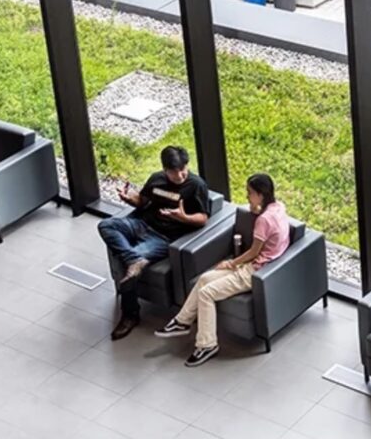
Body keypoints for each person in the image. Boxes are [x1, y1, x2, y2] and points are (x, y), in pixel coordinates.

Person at [156, 174, 291, 366]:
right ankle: (182, 321)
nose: (246, 196)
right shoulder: (278, 208)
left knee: (207, 293)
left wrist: (231, 263)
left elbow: (253, 252)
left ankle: (207, 345)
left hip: (254, 271)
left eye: (250, 193)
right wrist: (254, 208)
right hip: (255, 265)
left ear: (261, 195)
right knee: (204, 278)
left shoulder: (264, 221)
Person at [99, 145, 210, 340]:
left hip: (163, 237)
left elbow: (202, 218)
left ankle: (130, 315)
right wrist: (130, 199)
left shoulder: (196, 185)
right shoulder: (156, 179)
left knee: (126, 266)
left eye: (183, 169)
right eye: (175, 171)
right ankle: (134, 259)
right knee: (106, 225)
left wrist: (183, 217)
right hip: (141, 223)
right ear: (165, 170)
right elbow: (142, 201)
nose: (181, 174)